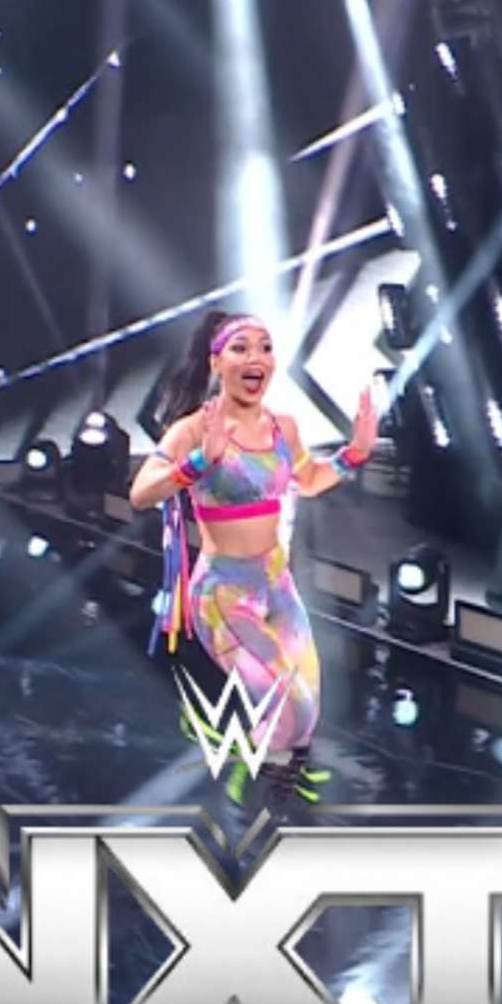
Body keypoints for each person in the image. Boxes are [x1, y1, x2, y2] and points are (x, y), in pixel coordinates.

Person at [129, 311, 377, 809]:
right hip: (224, 594)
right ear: (216, 362)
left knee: (305, 714)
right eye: (240, 348)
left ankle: (267, 796)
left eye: (264, 347)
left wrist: (354, 453)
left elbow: (309, 481)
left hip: (276, 585)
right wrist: (197, 463)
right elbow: (140, 494)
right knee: (285, 698)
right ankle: (241, 771)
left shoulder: (284, 428)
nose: (255, 358)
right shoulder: (193, 430)